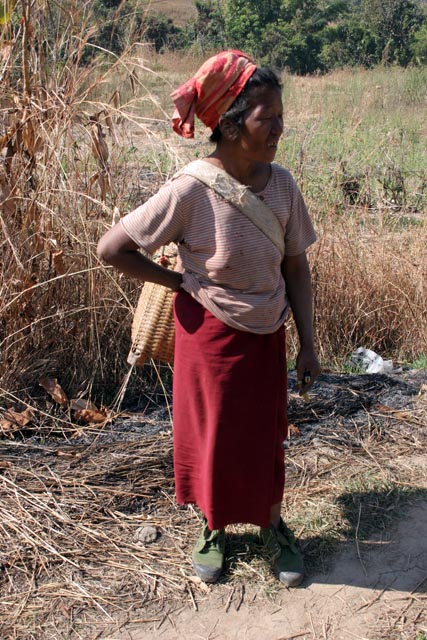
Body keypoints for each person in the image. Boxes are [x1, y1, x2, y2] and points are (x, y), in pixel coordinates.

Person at [97, 50, 321, 587]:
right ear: (229, 121)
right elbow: (113, 249)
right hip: (209, 334)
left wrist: (308, 344)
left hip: (268, 331)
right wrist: (179, 284)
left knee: (266, 437)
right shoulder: (192, 187)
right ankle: (214, 527)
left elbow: (296, 266)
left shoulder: (283, 186)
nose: (278, 129)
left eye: (280, 118)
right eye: (267, 118)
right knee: (212, 437)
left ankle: (271, 526)